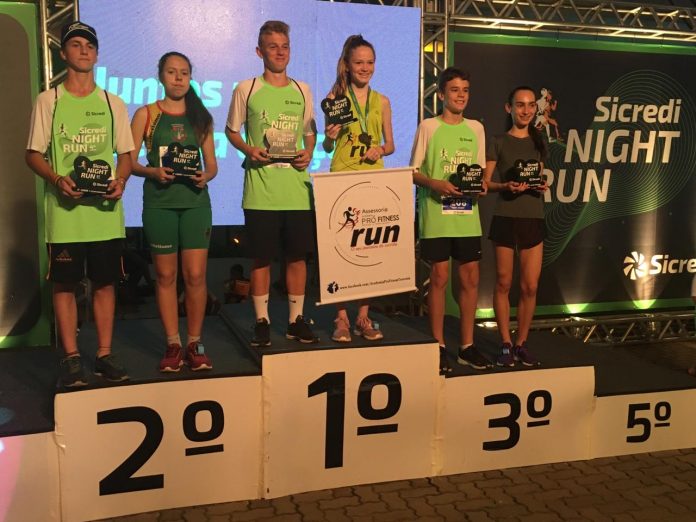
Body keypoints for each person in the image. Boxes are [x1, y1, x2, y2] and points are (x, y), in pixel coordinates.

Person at [25, 21, 134, 387]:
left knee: (105, 284)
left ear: (97, 54)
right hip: (65, 216)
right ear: (63, 53)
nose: (84, 50)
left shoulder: (113, 103)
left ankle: (104, 354)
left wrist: (121, 181)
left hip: (104, 216)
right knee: (64, 285)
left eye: (90, 45)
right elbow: (33, 154)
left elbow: (126, 155)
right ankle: (71, 357)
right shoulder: (49, 100)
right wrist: (58, 180)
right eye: (76, 44)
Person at [225, 20, 318, 347]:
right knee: (261, 258)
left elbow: (309, 132)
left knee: (297, 258)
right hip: (260, 192)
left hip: (296, 191)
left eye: (284, 46)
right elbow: (231, 131)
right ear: (259, 51)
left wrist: (309, 152)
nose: (280, 52)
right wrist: (249, 149)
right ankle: (262, 320)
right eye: (273, 46)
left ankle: (295, 320)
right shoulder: (246, 88)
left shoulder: (302, 89)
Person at [130, 52, 217, 372]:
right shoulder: (146, 114)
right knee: (166, 276)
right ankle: (173, 344)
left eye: (183, 73)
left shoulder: (201, 117)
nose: (178, 78)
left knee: (195, 275)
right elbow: (130, 162)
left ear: (190, 77)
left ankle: (196, 343)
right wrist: (152, 172)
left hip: (195, 204)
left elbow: (212, 166)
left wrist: (205, 176)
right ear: (161, 75)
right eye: (171, 72)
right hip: (159, 205)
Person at [410, 67, 492, 373]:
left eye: (465, 90)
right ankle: (438, 346)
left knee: (470, 279)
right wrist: (435, 184)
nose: (461, 96)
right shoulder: (428, 126)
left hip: (467, 216)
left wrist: (482, 186)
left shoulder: (476, 129)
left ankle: (467, 346)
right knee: (440, 279)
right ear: (442, 94)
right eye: (455, 90)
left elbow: (478, 173)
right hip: (436, 216)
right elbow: (413, 172)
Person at [322, 34, 395, 343]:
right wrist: (329, 136)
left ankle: (363, 317)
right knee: (340, 251)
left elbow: (390, 144)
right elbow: (327, 147)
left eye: (369, 62)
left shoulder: (383, 101)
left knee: (368, 250)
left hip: (373, 180)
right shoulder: (335, 98)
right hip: (341, 178)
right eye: (359, 63)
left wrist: (380, 149)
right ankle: (341, 317)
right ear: (347, 65)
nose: (365, 68)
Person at [483, 86, 549, 367]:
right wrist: (505, 186)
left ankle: (521, 343)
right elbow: (485, 184)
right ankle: (505, 344)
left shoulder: (539, 141)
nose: (526, 110)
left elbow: (537, 177)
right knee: (503, 283)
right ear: (508, 108)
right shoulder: (497, 141)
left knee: (530, 286)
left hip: (533, 218)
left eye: (531, 105)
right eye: (520, 105)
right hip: (506, 217)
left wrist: (539, 185)